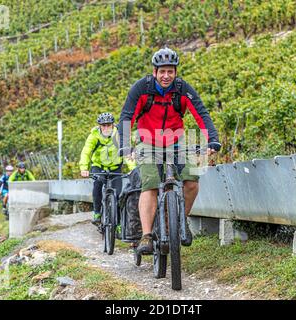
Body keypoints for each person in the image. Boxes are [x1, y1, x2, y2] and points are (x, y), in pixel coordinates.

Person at [118, 47, 221, 254]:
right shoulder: (141, 89)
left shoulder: (183, 89)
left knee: (192, 181)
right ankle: (146, 235)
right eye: (162, 71)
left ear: (175, 72)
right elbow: (126, 117)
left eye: (170, 71)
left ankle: (181, 221)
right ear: (155, 71)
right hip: (148, 141)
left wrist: (212, 140)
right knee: (150, 185)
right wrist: (125, 145)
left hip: (176, 140)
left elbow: (201, 113)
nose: (166, 76)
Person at [80, 112, 136, 226]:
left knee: (119, 194)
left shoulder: (119, 135)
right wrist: (84, 168)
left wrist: (133, 169)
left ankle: (119, 223)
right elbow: (86, 152)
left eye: (108, 125)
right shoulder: (94, 135)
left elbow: (126, 153)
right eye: (103, 125)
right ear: (99, 126)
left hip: (115, 168)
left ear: (113, 125)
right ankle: (97, 213)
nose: (106, 128)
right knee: (97, 184)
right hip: (98, 166)